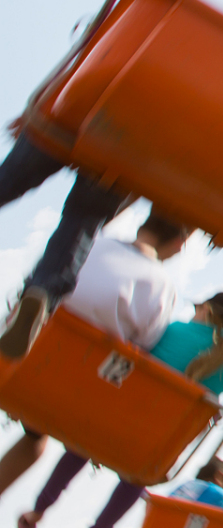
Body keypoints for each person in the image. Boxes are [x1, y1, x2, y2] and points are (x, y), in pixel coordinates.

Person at [15, 289, 223, 528]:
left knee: (79, 447)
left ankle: (38, 511)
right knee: (136, 478)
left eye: (196, 309)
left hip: (112, 422)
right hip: (152, 447)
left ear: (207, 311)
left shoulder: (172, 330)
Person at [0, 211, 192, 503]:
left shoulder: (89, 243)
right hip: (61, 385)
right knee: (34, 437)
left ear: (145, 222)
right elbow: (142, 347)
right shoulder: (163, 287)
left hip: (17, 354)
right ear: (179, 243)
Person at [0, 131, 135, 361]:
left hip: (71, 112)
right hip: (128, 143)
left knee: (8, 180)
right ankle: (44, 290)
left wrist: (38, 110)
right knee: (83, 220)